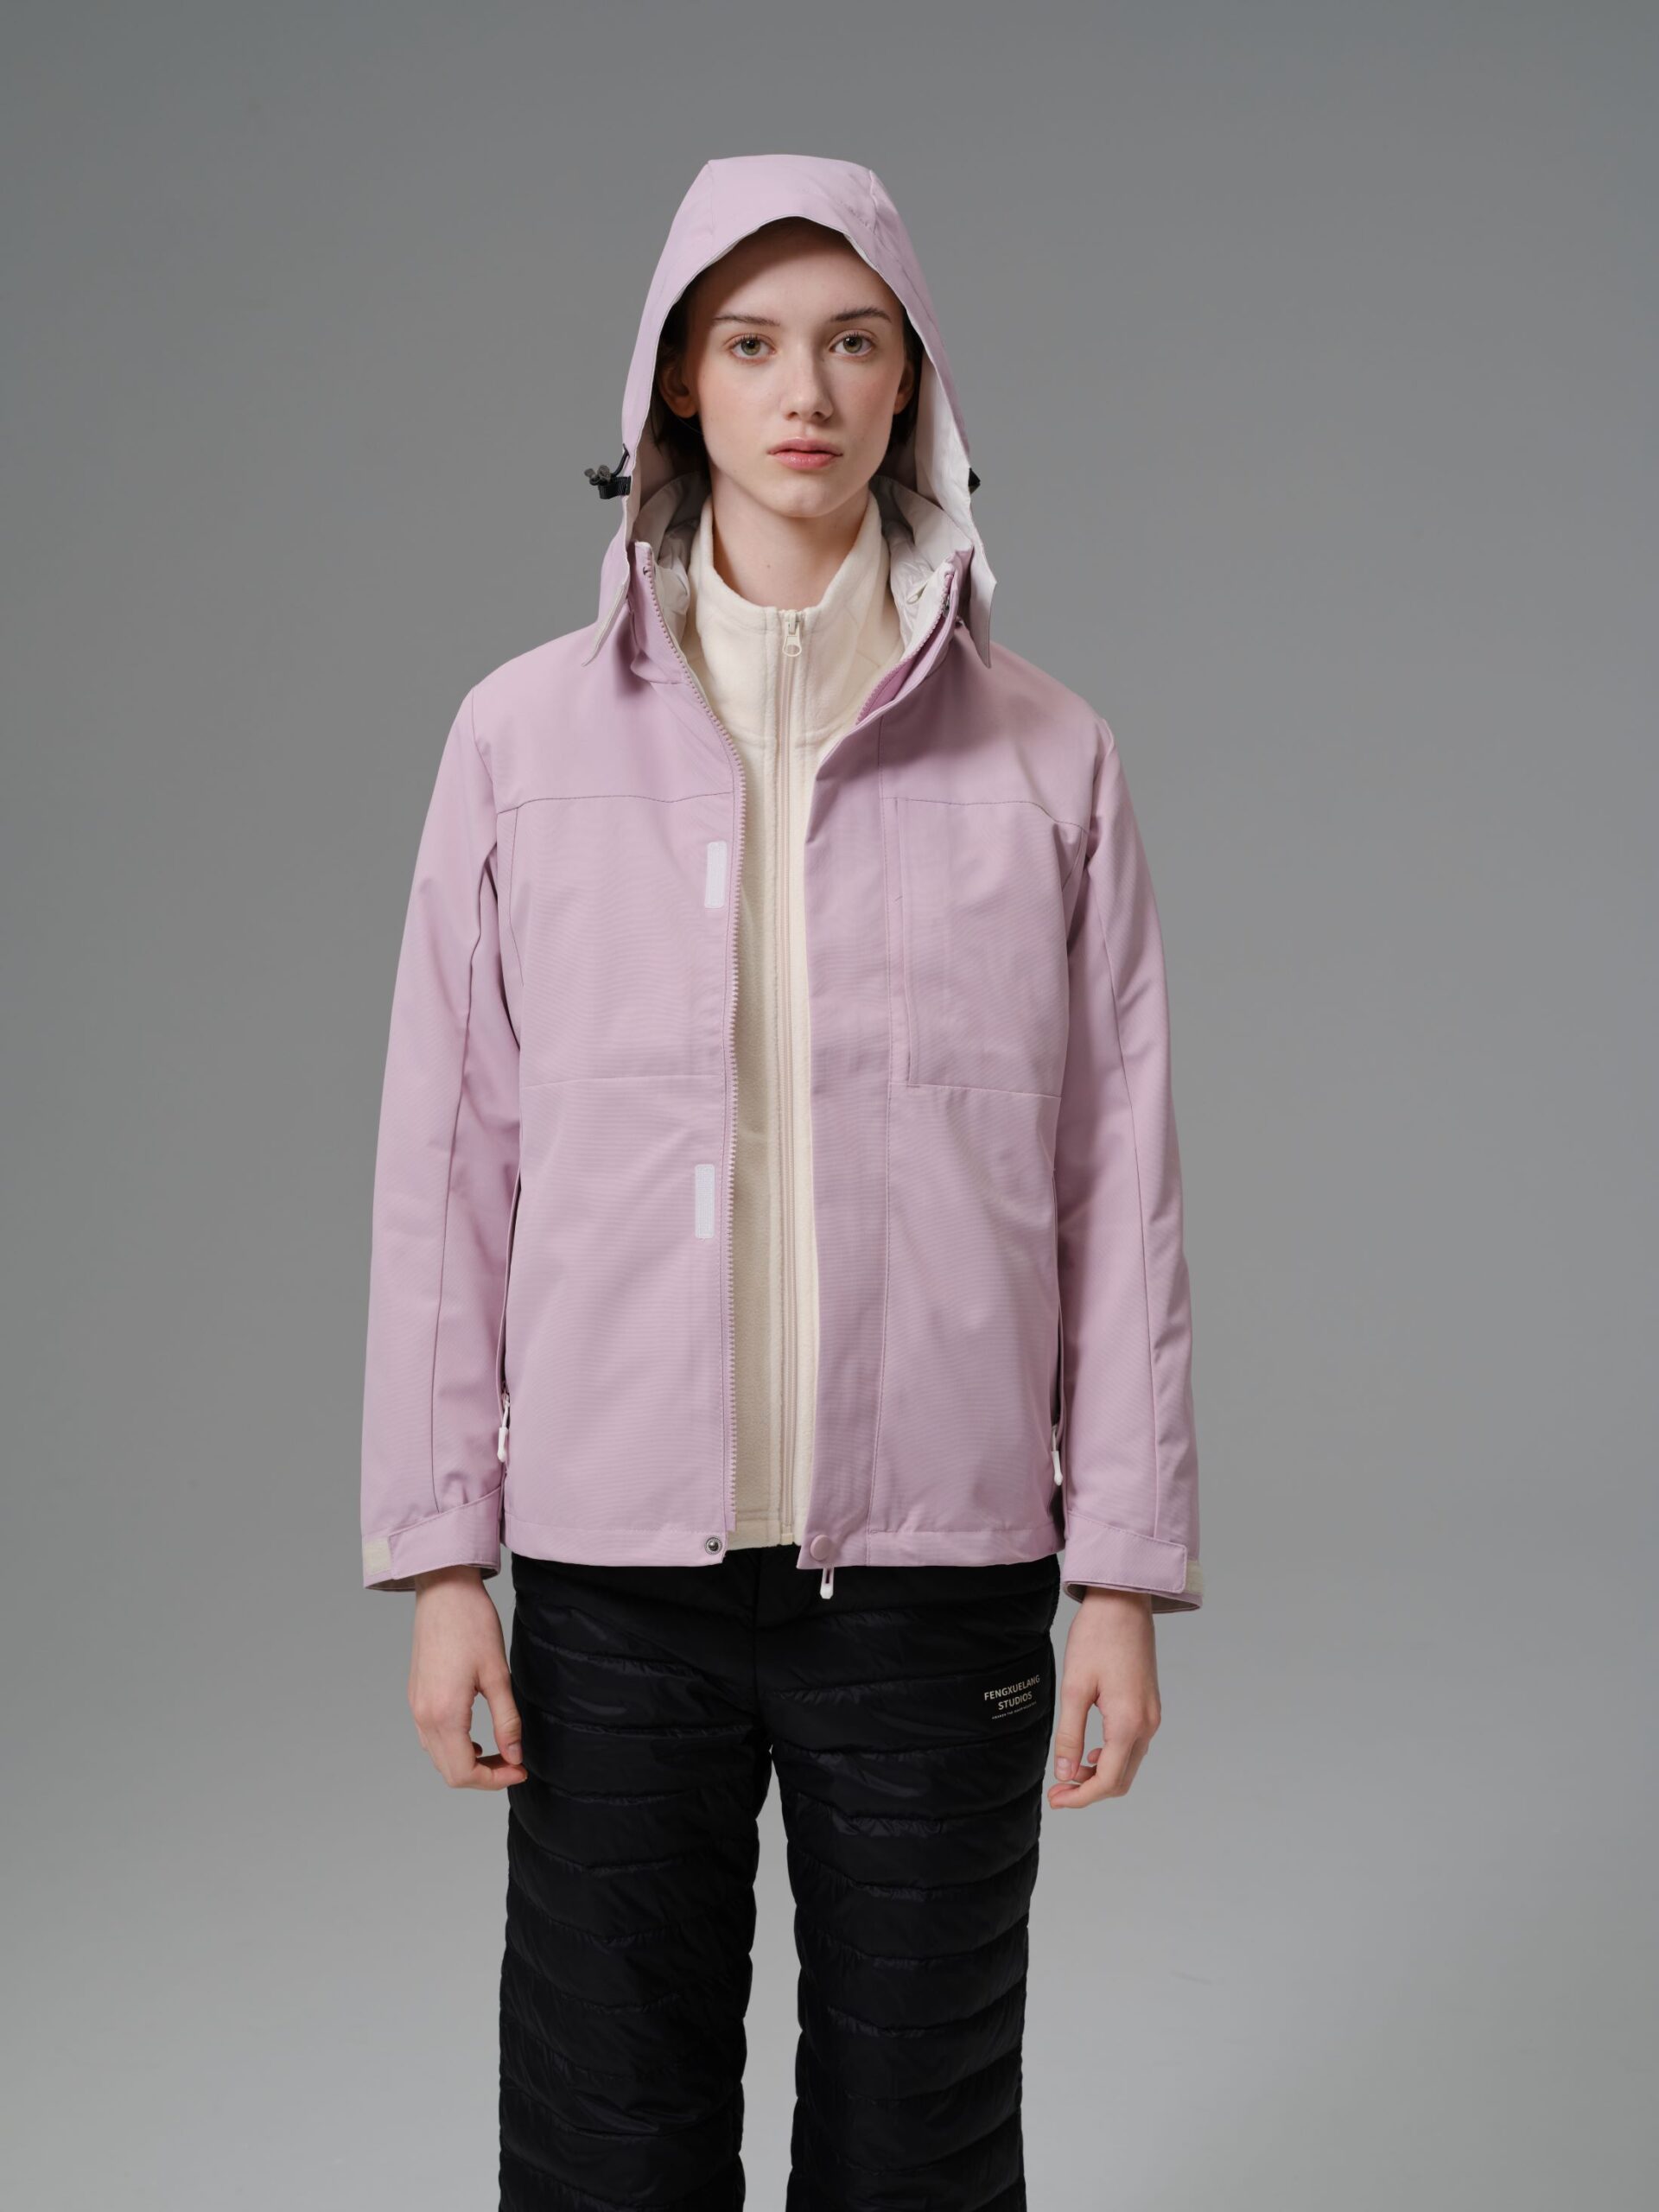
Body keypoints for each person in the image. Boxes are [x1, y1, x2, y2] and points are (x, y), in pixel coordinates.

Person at [359, 153, 1203, 2210]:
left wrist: (1120, 1573)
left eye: (851, 343)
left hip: (941, 1572)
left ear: (915, 384)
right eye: (749, 345)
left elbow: (1118, 1188)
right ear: (677, 385)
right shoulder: (519, 742)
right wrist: (445, 1557)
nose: (803, 390)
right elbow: (447, 1165)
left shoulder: (1052, 760)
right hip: (608, 1580)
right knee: (607, 2148)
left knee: (923, 2149)